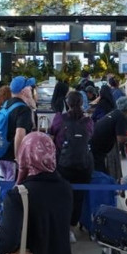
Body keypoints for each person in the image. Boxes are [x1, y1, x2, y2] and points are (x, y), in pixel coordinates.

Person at [48, 90, 93, 242]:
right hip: (83, 166)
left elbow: (51, 137)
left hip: (63, 165)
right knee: (78, 198)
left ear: (67, 103)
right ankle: (72, 229)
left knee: (61, 196)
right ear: (82, 103)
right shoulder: (88, 121)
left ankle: (61, 227)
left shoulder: (60, 118)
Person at [0, 76, 37, 182]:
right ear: (23, 91)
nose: (31, 89)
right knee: (13, 185)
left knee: (4, 183)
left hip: (1, 153)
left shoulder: (6, 104)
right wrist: (18, 158)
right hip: (12, 156)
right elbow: (20, 134)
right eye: (29, 87)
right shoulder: (23, 109)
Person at [89, 96, 127, 176]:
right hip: (97, 148)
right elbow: (121, 138)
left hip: (93, 145)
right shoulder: (121, 116)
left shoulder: (115, 112)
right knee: (99, 173)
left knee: (100, 171)